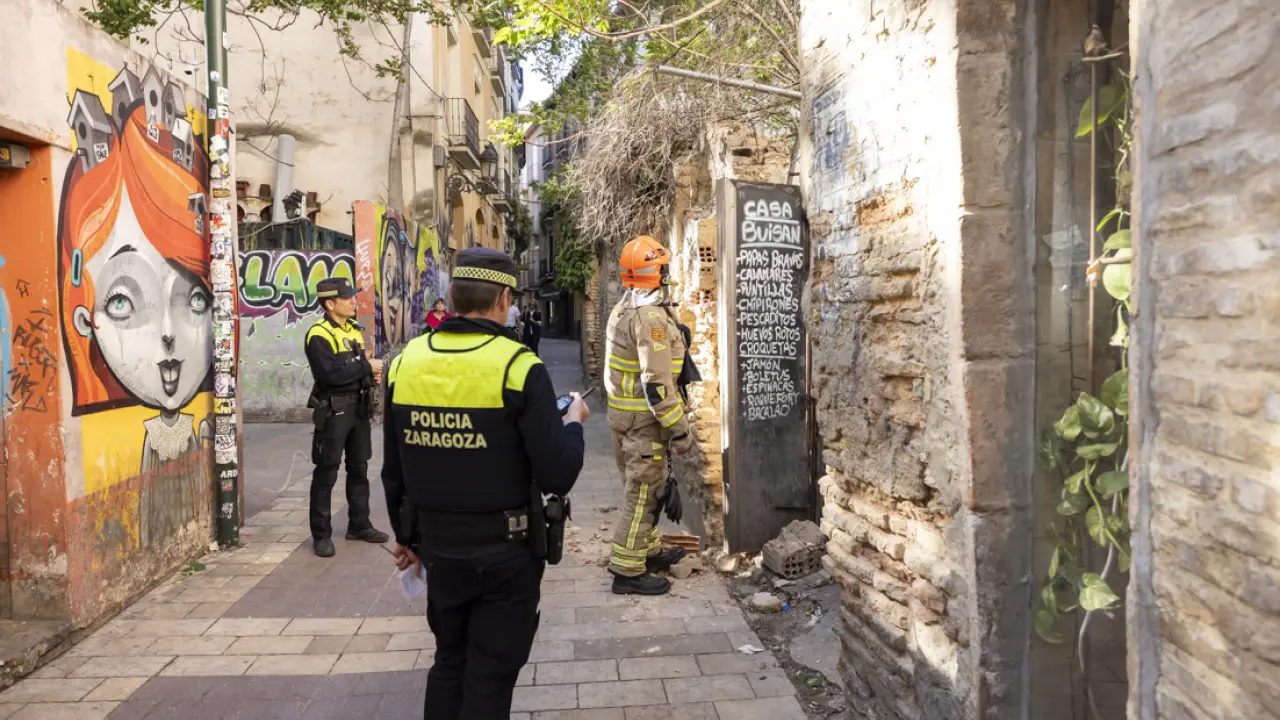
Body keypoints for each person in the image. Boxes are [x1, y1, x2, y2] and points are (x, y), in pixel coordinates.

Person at [382, 248, 590, 719]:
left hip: (438, 551)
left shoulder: (404, 362)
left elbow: (393, 471)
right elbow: (558, 474)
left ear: (453, 297)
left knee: (449, 662)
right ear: (503, 300)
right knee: (489, 677)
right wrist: (573, 424)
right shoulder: (519, 367)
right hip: (506, 555)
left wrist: (406, 538)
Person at [603, 235, 693, 595]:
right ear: (657, 272)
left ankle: (647, 552)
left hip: (625, 419)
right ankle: (626, 570)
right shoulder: (650, 318)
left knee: (647, 492)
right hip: (644, 424)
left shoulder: (623, 308)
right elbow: (657, 384)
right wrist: (679, 429)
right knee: (642, 495)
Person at [304, 277, 390, 557]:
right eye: (347, 297)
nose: (354, 301)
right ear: (330, 304)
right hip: (334, 409)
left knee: (359, 468)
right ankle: (321, 534)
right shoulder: (318, 334)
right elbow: (331, 374)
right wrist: (365, 366)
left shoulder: (353, 329)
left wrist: (369, 374)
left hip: (359, 409)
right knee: (326, 471)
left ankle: (359, 524)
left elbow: (354, 366)